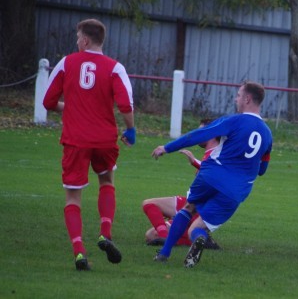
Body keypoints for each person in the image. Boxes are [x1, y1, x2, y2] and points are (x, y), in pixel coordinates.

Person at [43, 18, 135, 271]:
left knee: (73, 197)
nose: (76, 42)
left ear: (84, 40)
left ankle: (79, 252)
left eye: (77, 38)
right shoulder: (115, 67)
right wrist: (131, 129)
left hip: (75, 140)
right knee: (106, 182)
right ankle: (105, 233)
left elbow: (48, 102)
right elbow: (126, 105)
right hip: (105, 139)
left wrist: (68, 107)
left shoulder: (67, 62)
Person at [151, 81, 272, 268]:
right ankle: (199, 239)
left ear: (247, 99)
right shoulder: (267, 134)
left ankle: (164, 253)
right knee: (197, 229)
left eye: (239, 95)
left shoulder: (233, 121)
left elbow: (197, 136)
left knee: (188, 208)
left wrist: (167, 147)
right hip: (236, 191)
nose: (236, 98)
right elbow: (262, 169)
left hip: (212, 176)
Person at [142, 119, 221, 249]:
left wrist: (194, 162)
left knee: (151, 235)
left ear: (210, 134)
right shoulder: (209, 153)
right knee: (148, 205)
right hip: (189, 202)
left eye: (201, 131)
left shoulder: (218, 153)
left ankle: (193, 238)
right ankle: (168, 236)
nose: (198, 134)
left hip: (197, 208)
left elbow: (215, 175)